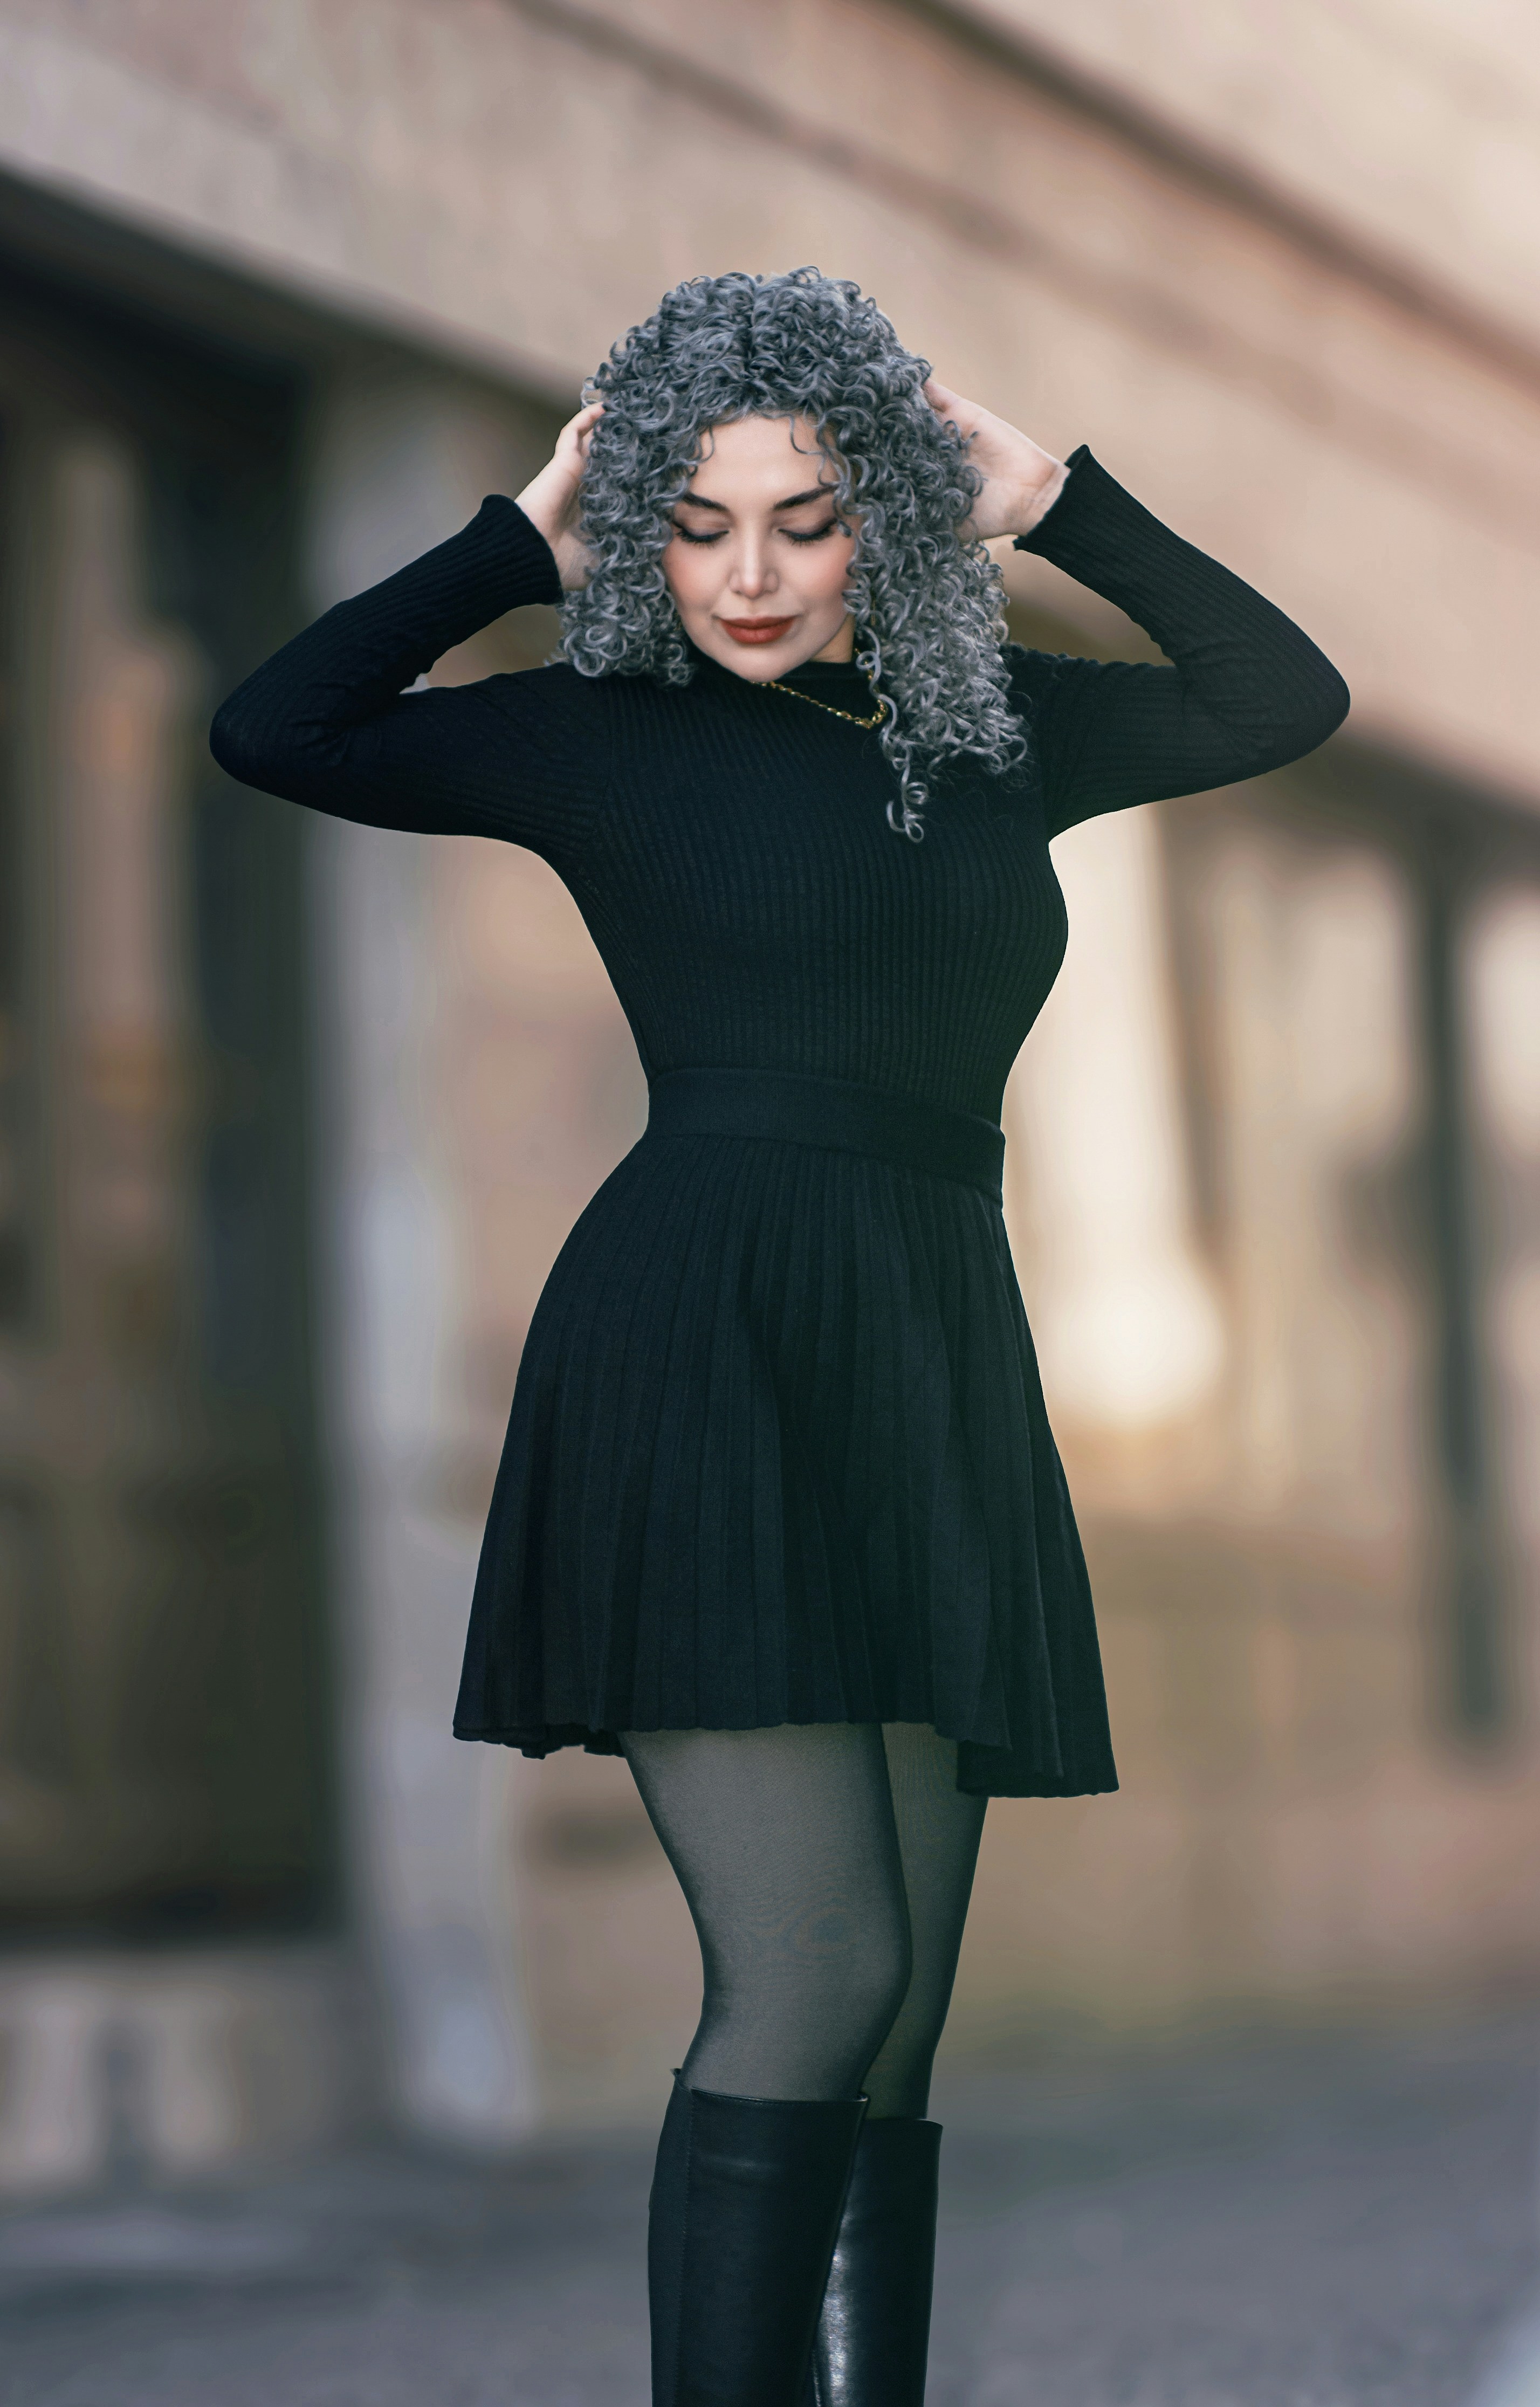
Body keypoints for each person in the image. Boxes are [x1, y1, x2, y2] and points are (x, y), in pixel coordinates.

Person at [211, 267, 1349, 2405]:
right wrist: (520, 542)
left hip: (926, 1352)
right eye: (697, 517)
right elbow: (276, 724)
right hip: (708, 1341)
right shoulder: (593, 723)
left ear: (886, 520)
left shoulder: (991, 723)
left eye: (807, 518)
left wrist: (1063, 500)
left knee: (901, 2017)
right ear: (641, 518)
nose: (745, 572)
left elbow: (1276, 696)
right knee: (816, 1973)